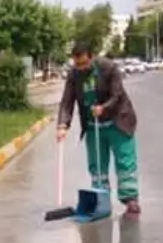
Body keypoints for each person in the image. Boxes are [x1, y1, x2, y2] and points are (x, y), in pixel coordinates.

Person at [56, 42, 141, 214]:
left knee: (125, 160)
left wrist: (104, 107)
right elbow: (67, 100)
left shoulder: (108, 68)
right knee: (97, 164)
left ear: (92, 57)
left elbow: (117, 94)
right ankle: (101, 199)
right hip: (94, 125)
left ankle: (130, 199)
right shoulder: (74, 75)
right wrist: (63, 124)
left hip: (119, 121)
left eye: (83, 63)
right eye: (76, 63)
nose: (80, 68)